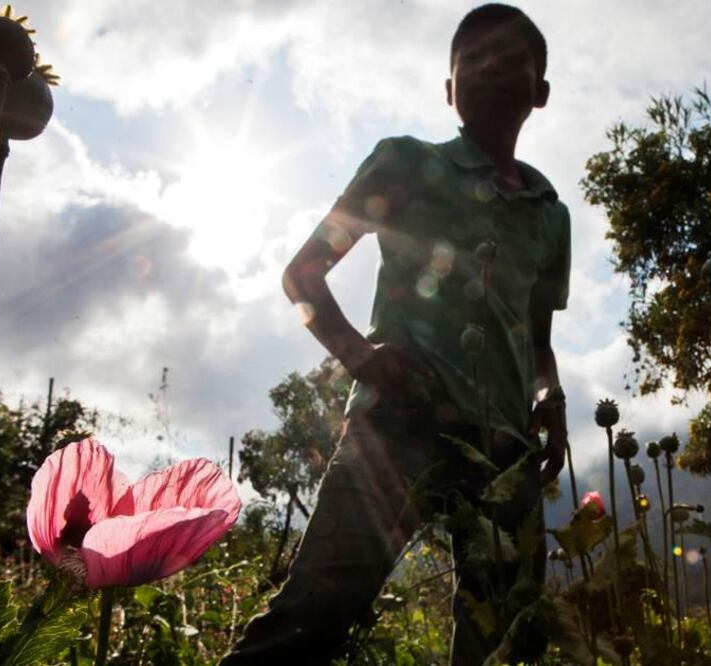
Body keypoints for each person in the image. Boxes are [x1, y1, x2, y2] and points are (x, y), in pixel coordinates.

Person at [222, 4, 570, 664]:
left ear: (540, 92)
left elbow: (537, 336)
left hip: (506, 453)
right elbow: (302, 275)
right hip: (399, 427)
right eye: (472, 59)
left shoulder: (550, 215)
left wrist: (549, 397)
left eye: (510, 59)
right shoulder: (406, 163)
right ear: (448, 89)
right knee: (310, 620)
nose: (489, 67)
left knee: (504, 643)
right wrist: (359, 356)